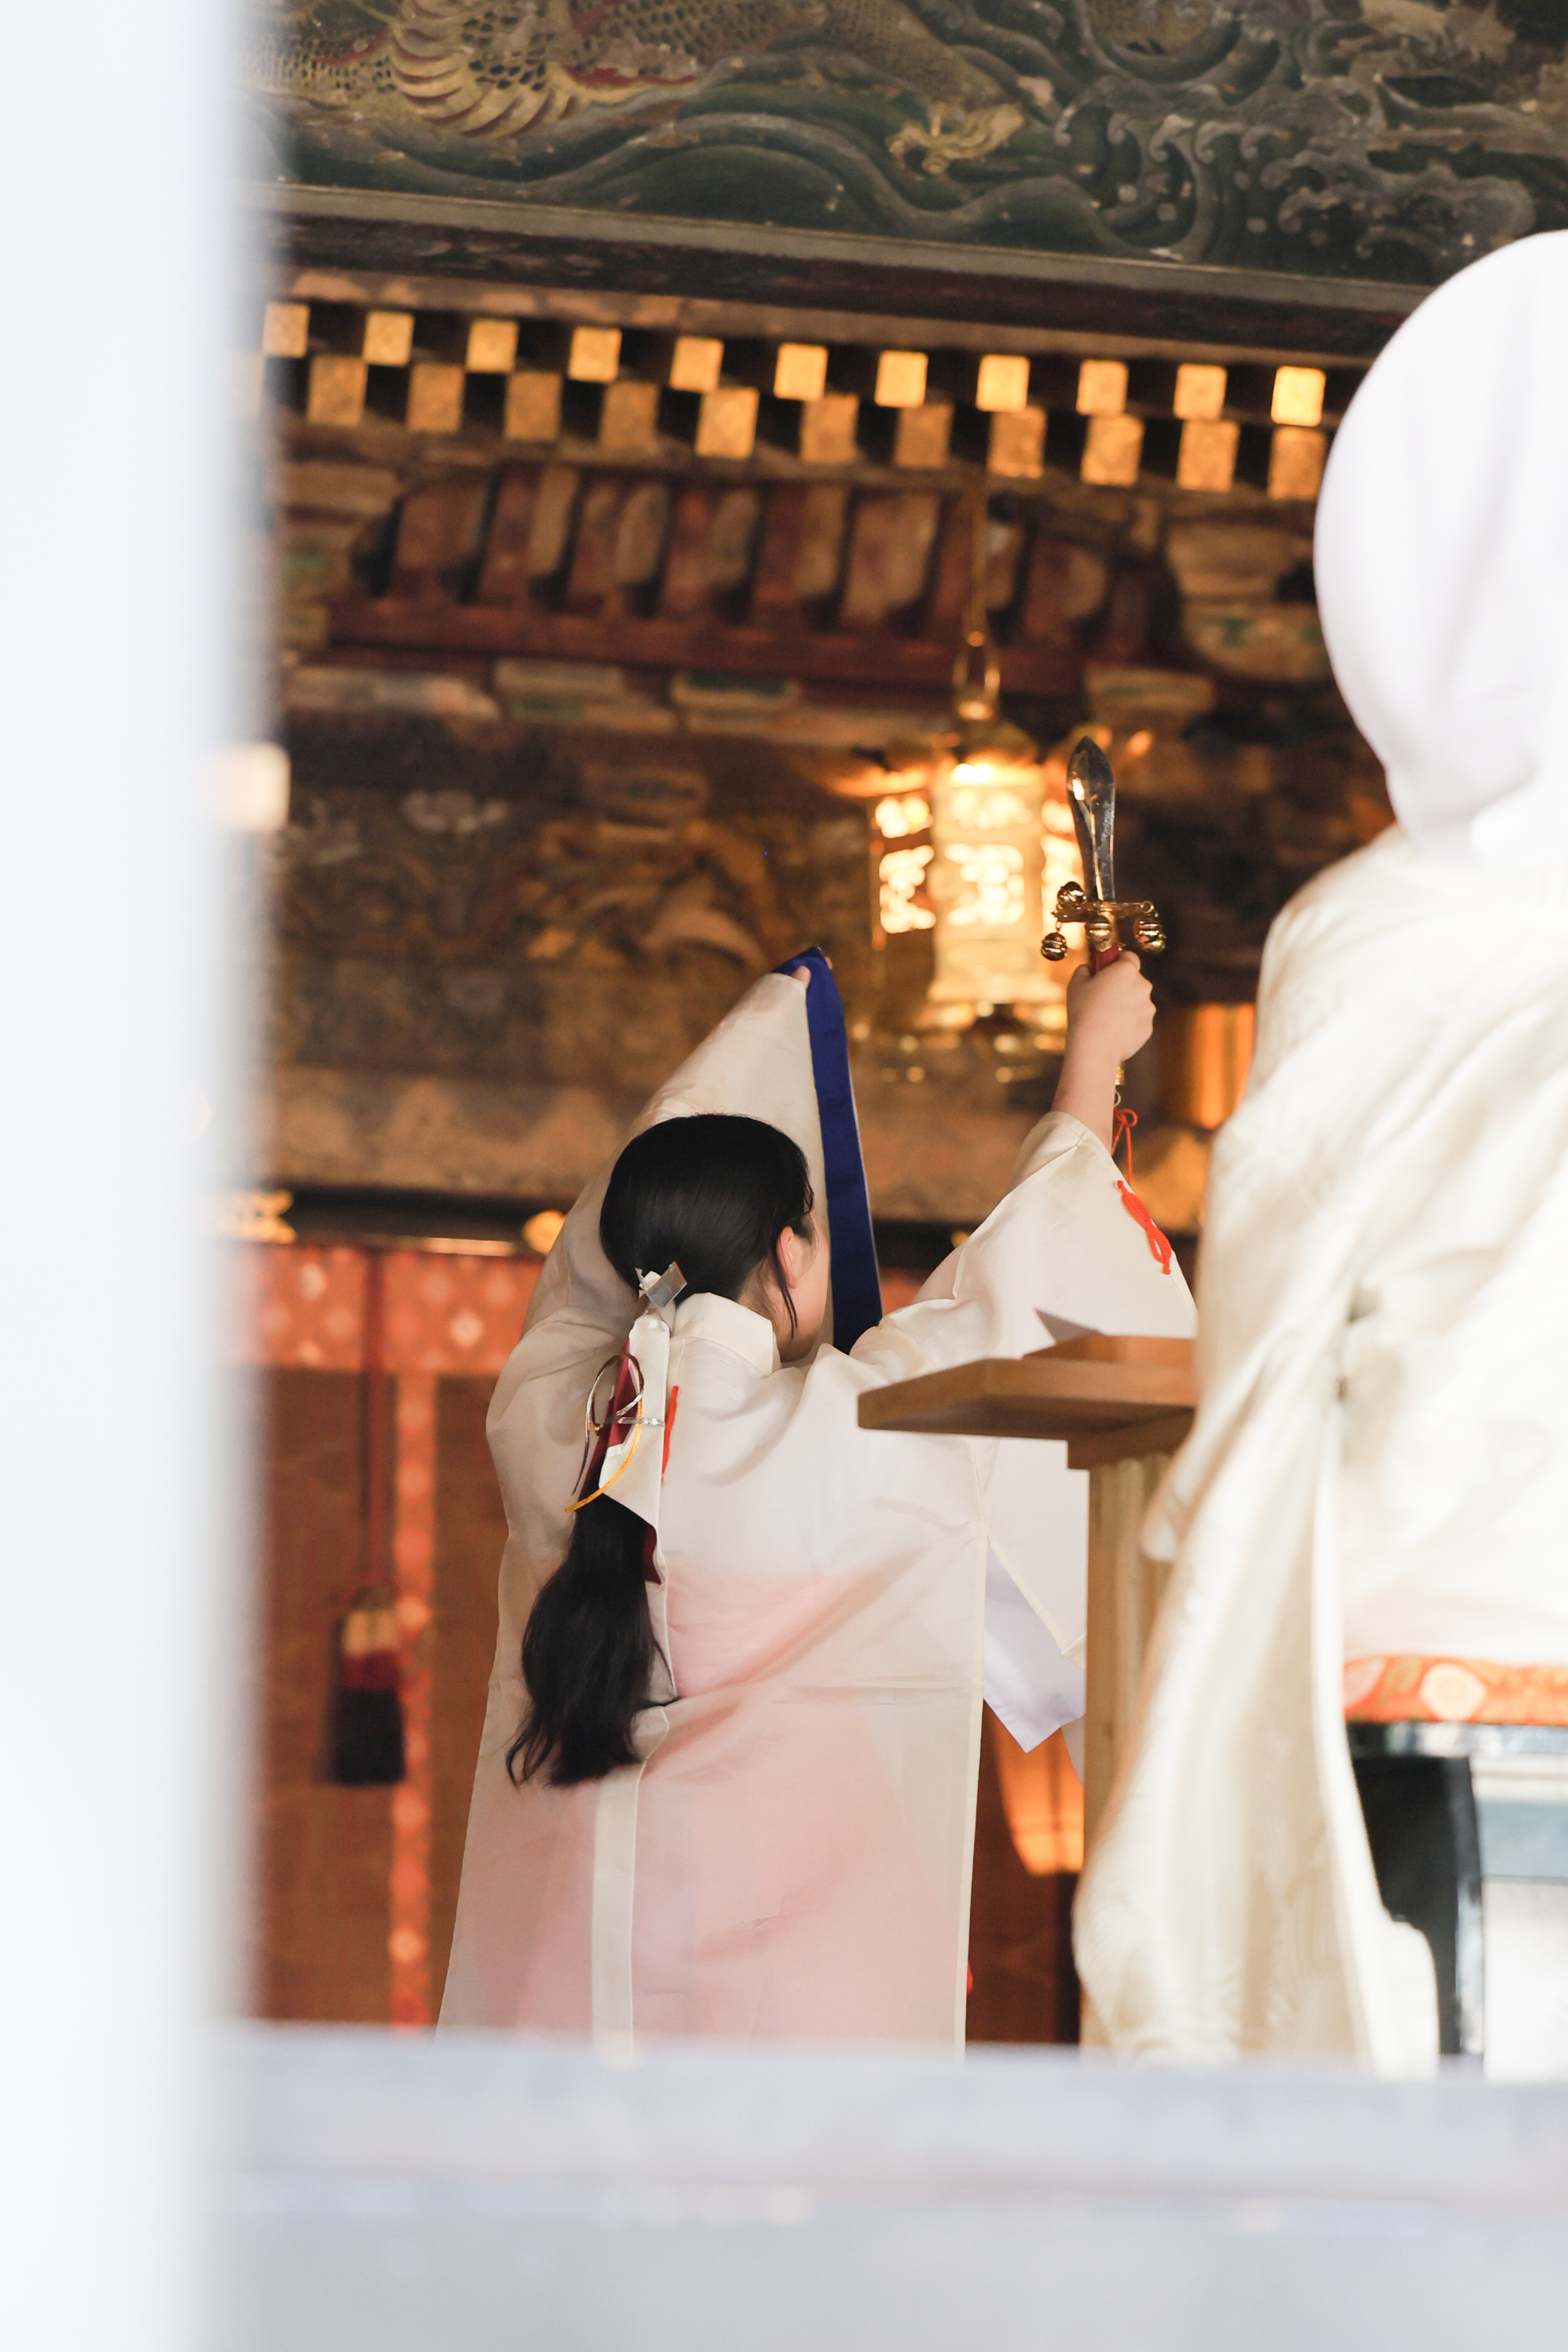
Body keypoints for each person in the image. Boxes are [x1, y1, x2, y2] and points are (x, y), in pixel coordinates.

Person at [1075, 231, 1568, 2079]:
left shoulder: (1362, 932)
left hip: (1421, 1589)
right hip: (1464, 1602)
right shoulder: (1371, 931)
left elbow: (1272, 1312)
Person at [440, 944, 1193, 2045]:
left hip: (571, 1970)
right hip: (778, 1985)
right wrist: (1092, 1057)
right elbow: (1024, 1289)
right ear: (792, 1257)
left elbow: (593, 1271)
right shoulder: (850, 1430)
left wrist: (758, 1041)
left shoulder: (548, 1417)